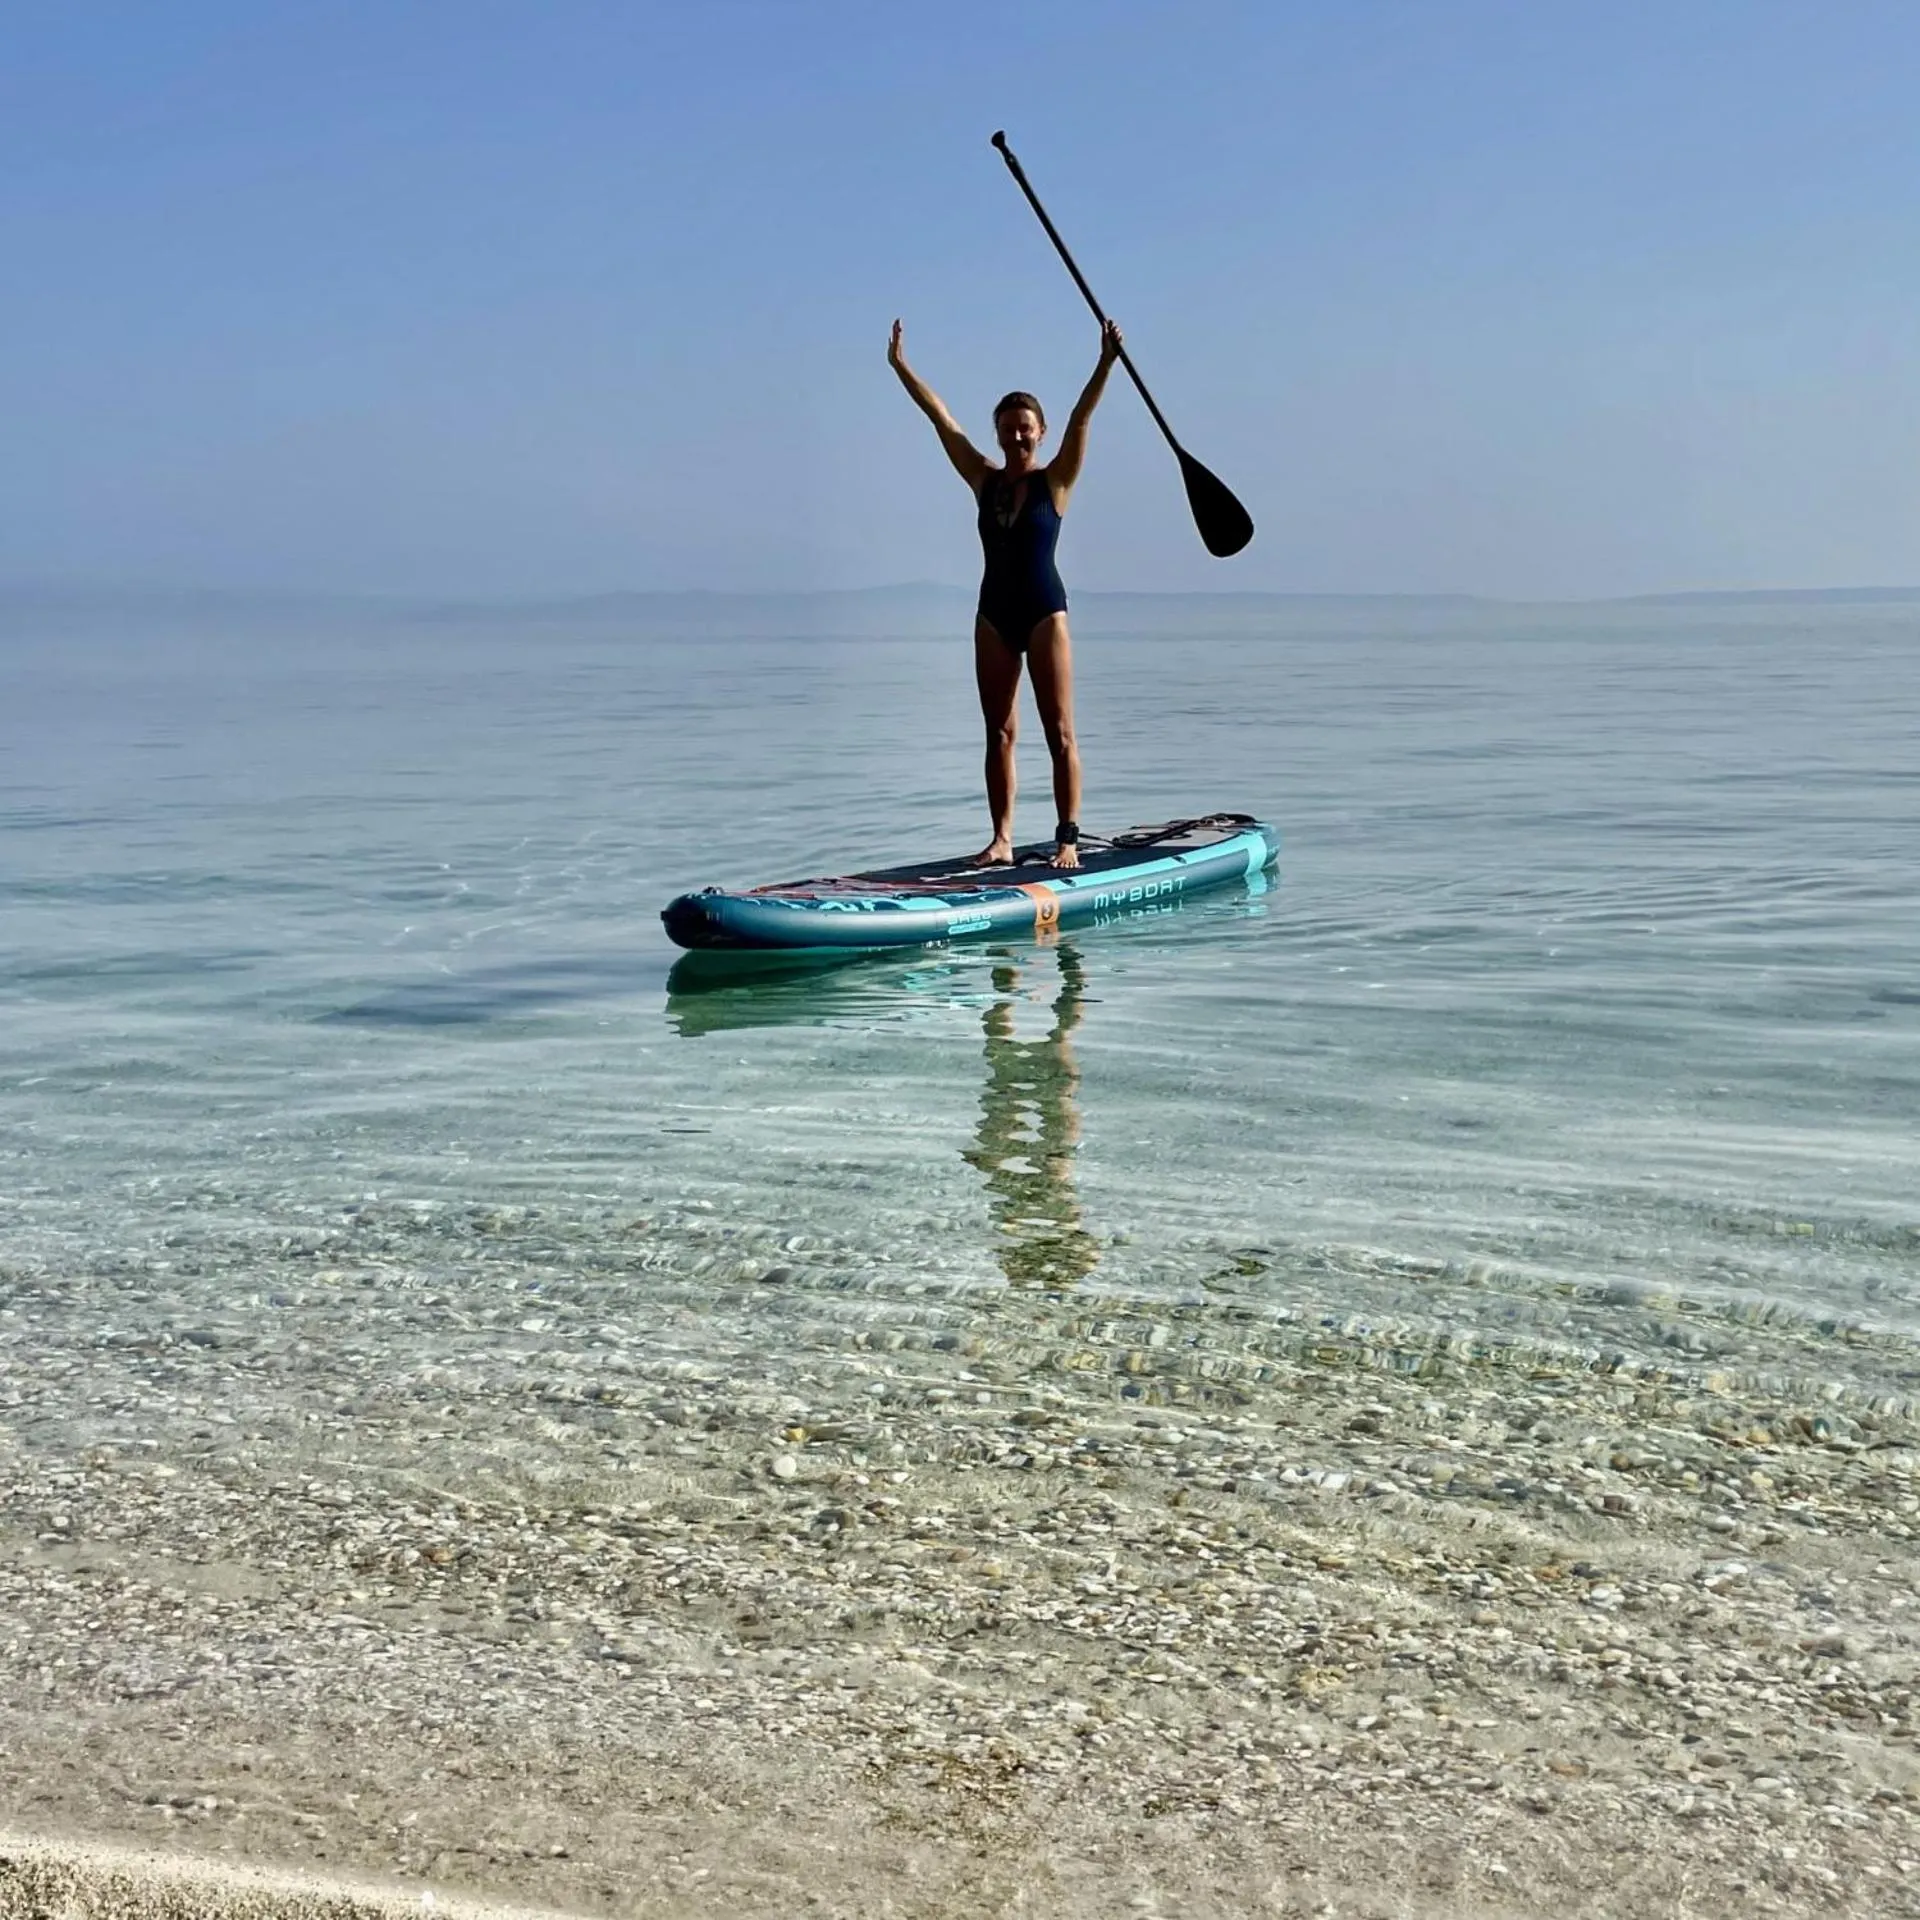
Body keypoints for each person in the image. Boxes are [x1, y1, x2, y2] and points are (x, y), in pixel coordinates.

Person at [889, 317, 1123, 869]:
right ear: (997, 433)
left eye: (1026, 427)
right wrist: (902, 366)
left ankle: (1067, 838)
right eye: (1007, 428)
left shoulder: (1056, 480)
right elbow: (940, 419)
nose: (1016, 435)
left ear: (1039, 432)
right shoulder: (983, 479)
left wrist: (1105, 363)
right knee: (998, 732)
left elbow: (1081, 417)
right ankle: (1001, 840)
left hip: (1044, 611)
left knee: (1059, 731)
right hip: (993, 614)